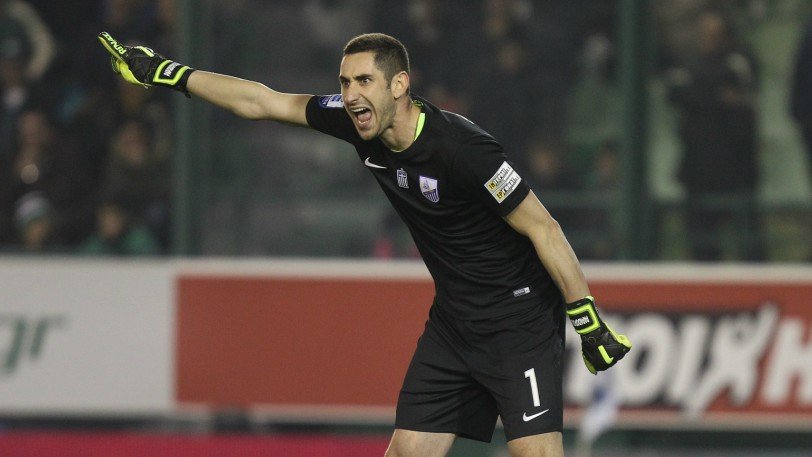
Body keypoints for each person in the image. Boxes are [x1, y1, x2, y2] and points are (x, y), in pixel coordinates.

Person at [98, 31, 631, 457]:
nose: (351, 94)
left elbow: (544, 228)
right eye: (345, 81)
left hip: (519, 323)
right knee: (406, 452)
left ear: (399, 84)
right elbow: (262, 101)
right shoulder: (355, 122)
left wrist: (585, 317)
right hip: (455, 323)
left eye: (364, 81)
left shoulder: (464, 148)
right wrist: (169, 73)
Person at [665, 10, 761, 261]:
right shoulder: (687, 62)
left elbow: (742, 91)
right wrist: (717, 96)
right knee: (701, 242)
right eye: (704, 34)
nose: (709, 40)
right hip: (697, 167)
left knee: (748, 242)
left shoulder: (739, 60)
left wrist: (698, 92)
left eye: (715, 34)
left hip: (736, 166)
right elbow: (674, 92)